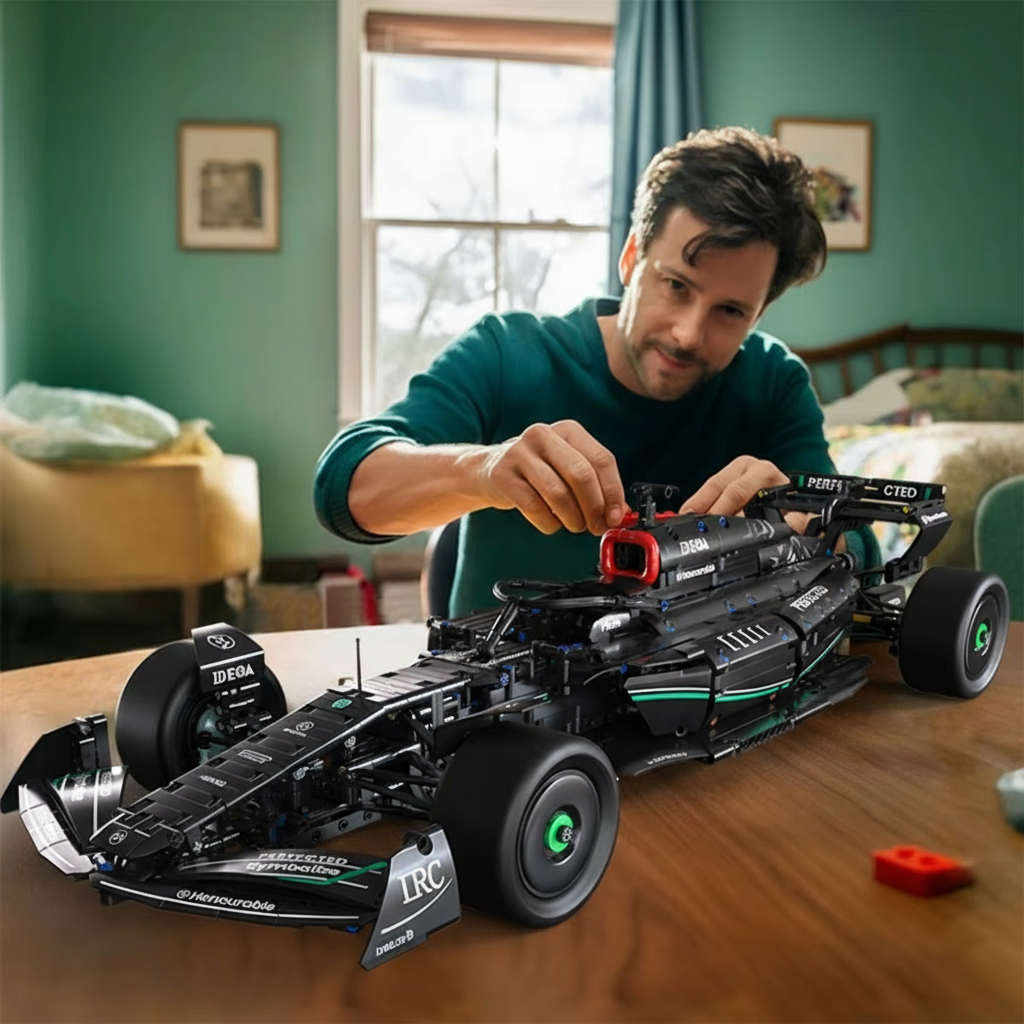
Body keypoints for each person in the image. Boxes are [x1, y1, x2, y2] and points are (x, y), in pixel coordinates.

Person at [315, 126, 876, 617]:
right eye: (676, 285)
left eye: (730, 312)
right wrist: (481, 471)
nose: (687, 332)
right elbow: (343, 486)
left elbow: (863, 554)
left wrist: (810, 528)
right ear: (631, 256)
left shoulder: (775, 383)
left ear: (759, 313)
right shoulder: (508, 352)